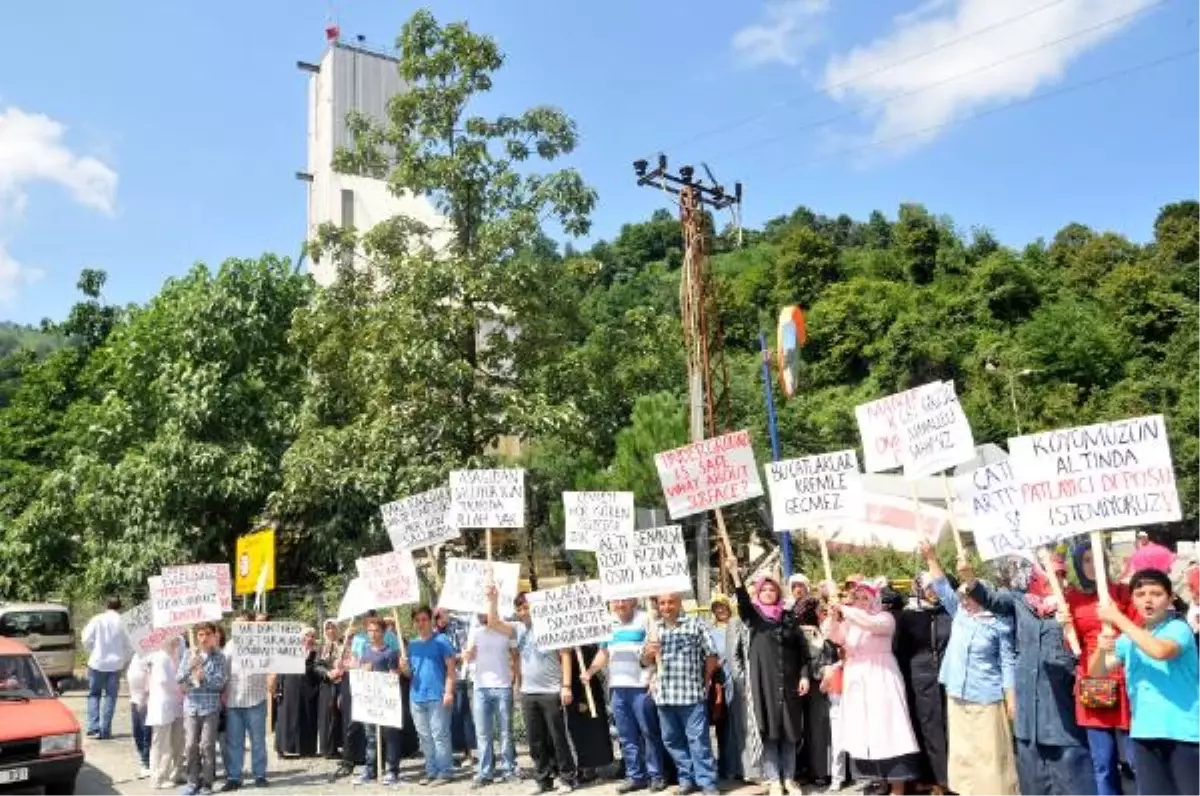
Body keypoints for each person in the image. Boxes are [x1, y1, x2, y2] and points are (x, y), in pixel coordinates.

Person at [966, 556, 1097, 796]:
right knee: (1034, 783)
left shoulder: (1074, 604)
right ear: (1036, 576)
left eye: (1061, 574)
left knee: (1073, 780)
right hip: (1029, 717)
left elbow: (1084, 652)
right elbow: (990, 600)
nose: (1057, 579)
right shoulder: (1020, 602)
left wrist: (1071, 629)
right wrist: (969, 578)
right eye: (1050, 573)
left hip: (1062, 713)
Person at [920, 542, 1018, 796]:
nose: (964, 599)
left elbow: (1007, 662)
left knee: (990, 758)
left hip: (986, 695)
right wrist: (931, 556)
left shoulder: (1001, 623)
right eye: (963, 595)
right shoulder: (960, 613)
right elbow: (942, 586)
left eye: (969, 595)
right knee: (964, 755)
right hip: (957, 693)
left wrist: (1011, 698)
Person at [1091, 568, 1200, 796]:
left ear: (1170, 599)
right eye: (1140, 595)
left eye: (1156, 594)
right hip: (1144, 733)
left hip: (1184, 733)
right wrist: (1101, 650)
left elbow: (1159, 651)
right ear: (1133, 599)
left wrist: (1118, 618)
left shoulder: (1178, 628)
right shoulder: (1129, 638)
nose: (1148, 600)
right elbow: (1097, 673)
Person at [821, 578, 921, 796]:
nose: (860, 601)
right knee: (867, 730)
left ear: (874, 598)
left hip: (881, 677)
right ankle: (878, 782)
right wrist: (833, 615)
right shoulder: (851, 621)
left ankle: (897, 787)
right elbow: (834, 635)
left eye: (865, 597)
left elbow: (870, 624)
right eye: (856, 597)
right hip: (857, 680)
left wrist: (846, 609)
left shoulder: (884, 618)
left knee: (890, 729)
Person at [1065, 541, 1139, 796]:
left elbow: (1139, 628)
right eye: (1085, 560)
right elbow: (1070, 644)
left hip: (1128, 680)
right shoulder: (1071, 598)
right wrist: (1064, 624)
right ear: (1077, 565)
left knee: (1136, 761)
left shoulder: (1122, 592)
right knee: (1104, 763)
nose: (1092, 565)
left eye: (1095, 558)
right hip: (1094, 678)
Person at [730, 570, 809, 796]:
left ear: (778, 592)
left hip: (790, 684)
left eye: (772, 588)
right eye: (763, 589)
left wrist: (804, 675)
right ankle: (774, 780)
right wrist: (737, 577)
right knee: (770, 732)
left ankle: (790, 779)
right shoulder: (753, 617)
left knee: (790, 732)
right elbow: (743, 602)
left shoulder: (788, 617)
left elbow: (802, 651)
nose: (767, 592)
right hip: (763, 684)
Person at [585, 598, 667, 794]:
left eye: (624, 600)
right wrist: (590, 671)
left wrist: (655, 675)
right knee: (626, 735)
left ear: (633, 601)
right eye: (616, 601)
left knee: (649, 732)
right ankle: (635, 776)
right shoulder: (609, 622)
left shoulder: (646, 618)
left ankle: (656, 775)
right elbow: (604, 652)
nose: (619, 604)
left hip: (641, 686)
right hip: (617, 688)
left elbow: (656, 651)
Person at [643, 592, 720, 796]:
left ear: (679, 603)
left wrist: (705, 680)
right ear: (658, 606)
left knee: (698, 740)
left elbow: (711, 655)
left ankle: (707, 782)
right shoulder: (653, 629)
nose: (666, 606)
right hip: (664, 696)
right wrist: (649, 653)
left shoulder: (696, 625)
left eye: (671, 602)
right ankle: (687, 779)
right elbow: (644, 661)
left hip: (692, 694)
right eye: (662, 603)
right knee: (672, 740)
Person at [501, 590, 576, 794]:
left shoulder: (552, 625)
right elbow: (493, 623)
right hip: (528, 692)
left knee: (557, 737)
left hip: (551, 690)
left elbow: (565, 655)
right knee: (535, 740)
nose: (523, 612)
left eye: (526, 607)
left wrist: (566, 686)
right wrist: (491, 600)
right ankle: (543, 779)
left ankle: (567, 777)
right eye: (519, 608)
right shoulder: (517, 629)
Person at [895, 570, 952, 795]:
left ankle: (951, 774)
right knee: (928, 728)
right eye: (928, 588)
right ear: (918, 588)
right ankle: (934, 779)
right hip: (920, 679)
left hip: (946, 677)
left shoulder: (946, 611)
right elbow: (901, 651)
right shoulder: (908, 616)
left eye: (936, 587)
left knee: (948, 726)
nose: (933, 592)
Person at [400, 604, 457, 786]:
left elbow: (451, 669)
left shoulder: (441, 641)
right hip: (416, 696)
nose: (421, 623)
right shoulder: (412, 646)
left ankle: (445, 771)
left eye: (424, 619)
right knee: (424, 737)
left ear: (431, 620)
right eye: (417, 620)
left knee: (440, 735)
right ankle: (431, 770)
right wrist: (404, 668)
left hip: (437, 695)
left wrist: (449, 691)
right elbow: (410, 674)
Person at [465, 594, 519, 787]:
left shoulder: (506, 630)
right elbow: (469, 657)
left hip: (503, 686)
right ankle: (485, 772)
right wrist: (467, 655)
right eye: (478, 611)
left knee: (505, 732)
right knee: (483, 733)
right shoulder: (475, 632)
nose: (480, 615)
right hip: (480, 688)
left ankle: (509, 769)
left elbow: (515, 656)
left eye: (484, 610)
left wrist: (516, 680)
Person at [221, 613, 271, 790]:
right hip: (234, 701)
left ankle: (260, 775)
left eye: (243, 624)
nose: (239, 628)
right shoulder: (229, 646)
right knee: (234, 741)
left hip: (256, 699)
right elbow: (222, 671)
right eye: (236, 625)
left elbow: (277, 663)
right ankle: (234, 776)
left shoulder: (263, 643)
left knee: (258, 740)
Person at [178, 622, 228, 796]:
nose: (204, 638)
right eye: (200, 634)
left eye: (207, 634)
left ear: (214, 636)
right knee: (191, 745)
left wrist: (204, 677)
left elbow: (220, 684)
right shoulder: (188, 654)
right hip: (191, 707)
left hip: (210, 708)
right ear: (196, 637)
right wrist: (190, 667)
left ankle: (207, 783)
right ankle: (193, 781)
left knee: (206, 745)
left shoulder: (220, 657)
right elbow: (179, 678)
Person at [353, 616, 403, 786]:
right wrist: (362, 670)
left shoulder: (389, 652)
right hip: (370, 702)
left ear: (383, 632)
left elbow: (394, 673)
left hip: (386, 702)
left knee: (390, 736)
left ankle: (392, 770)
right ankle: (371, 769)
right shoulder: (366, 650)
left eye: (376, 631)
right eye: (370, 631)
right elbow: (360, 672)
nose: (373, 634)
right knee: (371, 737)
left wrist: (393, 674)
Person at [82, 595, 131, 739]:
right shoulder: (123, 622)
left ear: (106, 605)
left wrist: (93, 651)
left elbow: (86, 639)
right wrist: (123, 660)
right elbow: (129, 646)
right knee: (110, 697)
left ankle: (93, 727)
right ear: (120, 606)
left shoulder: (97, 619)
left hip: (97, 662)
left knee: (94, 694)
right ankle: (105, 730)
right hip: (115, 665)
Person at [565, 642, 614, 781]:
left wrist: (583, 699)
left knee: (592, 732)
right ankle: (584, 767)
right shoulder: (565, 646)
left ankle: (594, 767)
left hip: (587, 692)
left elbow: (588, 671)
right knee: (578, 732)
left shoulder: (588, 647)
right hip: (573, 693)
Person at [435, 607, 477, 766]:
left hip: (457, 676)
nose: (440, 618)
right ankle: (449, 754)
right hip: (439, 679)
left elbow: (465, 651)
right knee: (444, 718)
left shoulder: (457, 627)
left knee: (462, 714)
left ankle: (468, 753)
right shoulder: (433, 631)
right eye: (437, 616)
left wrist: (454, 658)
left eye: (442, 614)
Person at [275, 626, 321, 758]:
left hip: (309, 689)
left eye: (312, 636)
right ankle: (282, 748)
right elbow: (280, 669)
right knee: (286, 718)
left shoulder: (316, 653)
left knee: (307, 718)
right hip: (290, 687)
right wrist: (279, 687)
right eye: (307, 635)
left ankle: (306, 748)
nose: (309, 639)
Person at [147, 635, 186, 790]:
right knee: (161, 744)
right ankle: (157, 778)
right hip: (161, 705)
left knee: (177, 742)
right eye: (174, 640)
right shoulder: (160, 658)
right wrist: (179, 684)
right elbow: (164, 681)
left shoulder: (172, 656)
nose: (177, 642)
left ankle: (175, 773)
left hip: (173, 704)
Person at [706, 595, 738, 783]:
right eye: (716, 607)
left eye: (723, 606)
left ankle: (742, 766)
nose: (720, 610)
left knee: (740, 726)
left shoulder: (738, 626)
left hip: (739, 681)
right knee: (723, 726)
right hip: (721, 683)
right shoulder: (710, 631)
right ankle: (726, 767)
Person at [314, 620, 344, 760]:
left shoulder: (343, 645)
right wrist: (327, 673)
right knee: (327, 716)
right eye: (328, 628)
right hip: (327, 685)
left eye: (333, 628)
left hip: (342, 684)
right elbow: (317, 666)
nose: (331, 631)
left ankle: (339, 745)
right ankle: (327, 748)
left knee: (340, 714)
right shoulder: (322, 647)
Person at [128, 650, 153, 778]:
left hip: (146, 699)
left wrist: (146, 697)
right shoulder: (135, 655)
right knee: (136, 731)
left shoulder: (150, 656)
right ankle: (143, 757)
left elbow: (151, 676)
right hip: (134, 698)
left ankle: (146, 761)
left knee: (146, 731)